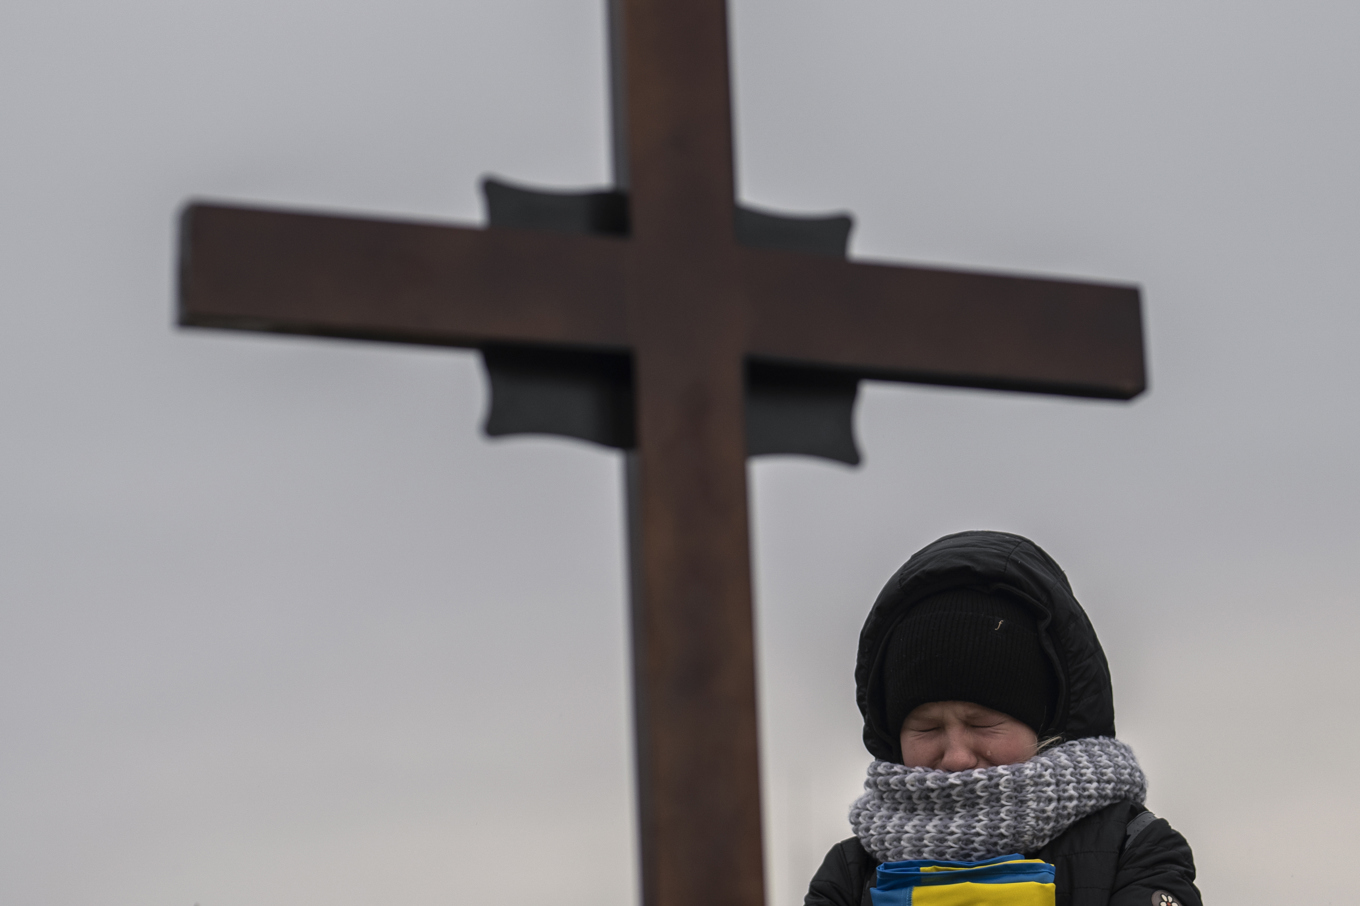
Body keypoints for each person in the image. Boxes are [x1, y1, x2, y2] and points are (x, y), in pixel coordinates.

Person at [804, 531, 1201, 906]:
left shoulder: (1135, 847)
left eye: (981, 724)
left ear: (1046, 727)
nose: (956, 757)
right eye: (927, 728)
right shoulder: (850, 874)